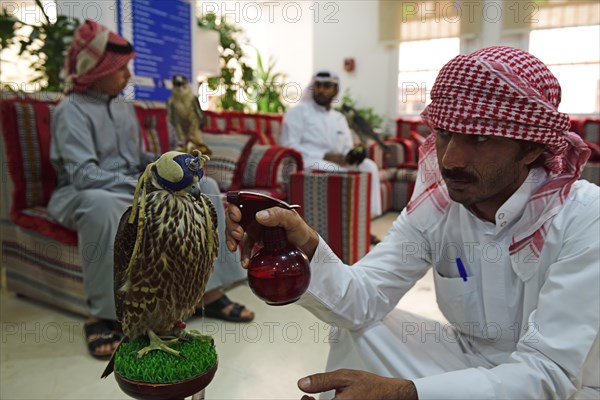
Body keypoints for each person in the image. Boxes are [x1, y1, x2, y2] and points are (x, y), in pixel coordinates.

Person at [226, 46, 599, 399]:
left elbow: (550, 372)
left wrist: (406, 393)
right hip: (469, 362)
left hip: (567, 387)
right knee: (360, 330)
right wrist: (302, 244)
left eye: (480, 138)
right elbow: (361, 299)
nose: (450, 159)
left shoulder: (583, 217)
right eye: (445, 134)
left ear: (531, 147)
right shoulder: (437, 204)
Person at [48, 20, 253, 360]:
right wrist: (145, 184)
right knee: (104, 207)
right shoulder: (70, 110)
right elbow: (83, 173)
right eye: (120, 69)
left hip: (134, 185)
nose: (127, 75)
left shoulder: (124, 107)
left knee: (208, 187)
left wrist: (169, 160)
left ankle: (212, 292)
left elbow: (139, 158)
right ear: (95, 69)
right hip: (84, 192)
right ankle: (101, 316)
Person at [279, 70, 383, 229]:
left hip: (338, 163)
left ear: (335, 89)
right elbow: (288, 146)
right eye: (318, 85)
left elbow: (346, 148)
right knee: (335, 169)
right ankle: (341, 225)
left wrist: (354, 153)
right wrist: (324, 155)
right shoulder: (298, 113)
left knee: (369, 166)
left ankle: (364, 223)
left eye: (327, 86)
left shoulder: (339, 118)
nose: (321, 90)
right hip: (308, 162)